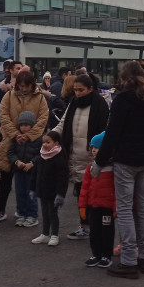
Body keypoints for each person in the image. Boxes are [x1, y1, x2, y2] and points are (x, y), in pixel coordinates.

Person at [93, 61, 144, 279]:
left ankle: (129, 260)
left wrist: (99, 162)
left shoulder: (122, 100)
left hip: (127, 160)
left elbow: (112, 134)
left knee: (124, 209)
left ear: (122, 78)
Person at [51, 74, 110, 240]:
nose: (77, 93)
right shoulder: (73, 103)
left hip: (91, 157)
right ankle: (84, 225)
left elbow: (105, 131)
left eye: (81, 90)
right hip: (74, 155)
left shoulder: (100, 105)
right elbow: (62, 124)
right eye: (75, 90)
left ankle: (94, 226)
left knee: (93, 194)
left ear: (90, 89)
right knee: (81, 194)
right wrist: (53, 135)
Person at [0, 70, 49, 225]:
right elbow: (4, 116)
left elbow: (43, 118)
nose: (23, 89)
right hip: (10, 140)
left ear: (32, 85)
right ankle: (3, 210)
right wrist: (15, 134)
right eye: (21, 86)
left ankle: (29, 213)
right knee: (6, 178)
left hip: (32, 142)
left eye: (26, 86)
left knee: (28, 181)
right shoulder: (8, 96)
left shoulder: (40, 98)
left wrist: (29, 135)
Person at [80, 132, 115, 268]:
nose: (93, 150)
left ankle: (106, 255)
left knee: (107, 232)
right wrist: (82, 206)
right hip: (93, 206)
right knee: (94, 231)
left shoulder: (113, 167)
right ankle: (96, 254)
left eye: (97, 147)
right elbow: (84, 188)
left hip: (107, 207)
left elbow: (117, 189)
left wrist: (115, 207)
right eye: (92, 147)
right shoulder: (91, 167)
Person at [30, 130, 69, 246]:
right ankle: (45, 234)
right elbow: (34, 174)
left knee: (52, 213)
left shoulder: (59, 158)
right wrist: (32, 188)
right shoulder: (41, 156)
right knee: (45, 213)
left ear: (56, 143)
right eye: (43, 142)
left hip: (53, 193)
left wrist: (60, 194)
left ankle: (54, 235)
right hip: (42, 191)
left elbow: (63, 178)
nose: (45, 144)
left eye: (48, 142)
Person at [8, 110, 42, 228]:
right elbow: (11, 153)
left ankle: (32, 215)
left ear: (32, 125)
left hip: (32, 172)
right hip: (19, 171)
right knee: (20, 193)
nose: (23, 128)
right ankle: (22, 214)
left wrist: (32, 163)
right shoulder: (16, 138)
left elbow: (40, 154)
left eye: (26, 125)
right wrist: (17, 162)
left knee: (30, 194)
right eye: (21, 125)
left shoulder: (38, 139)